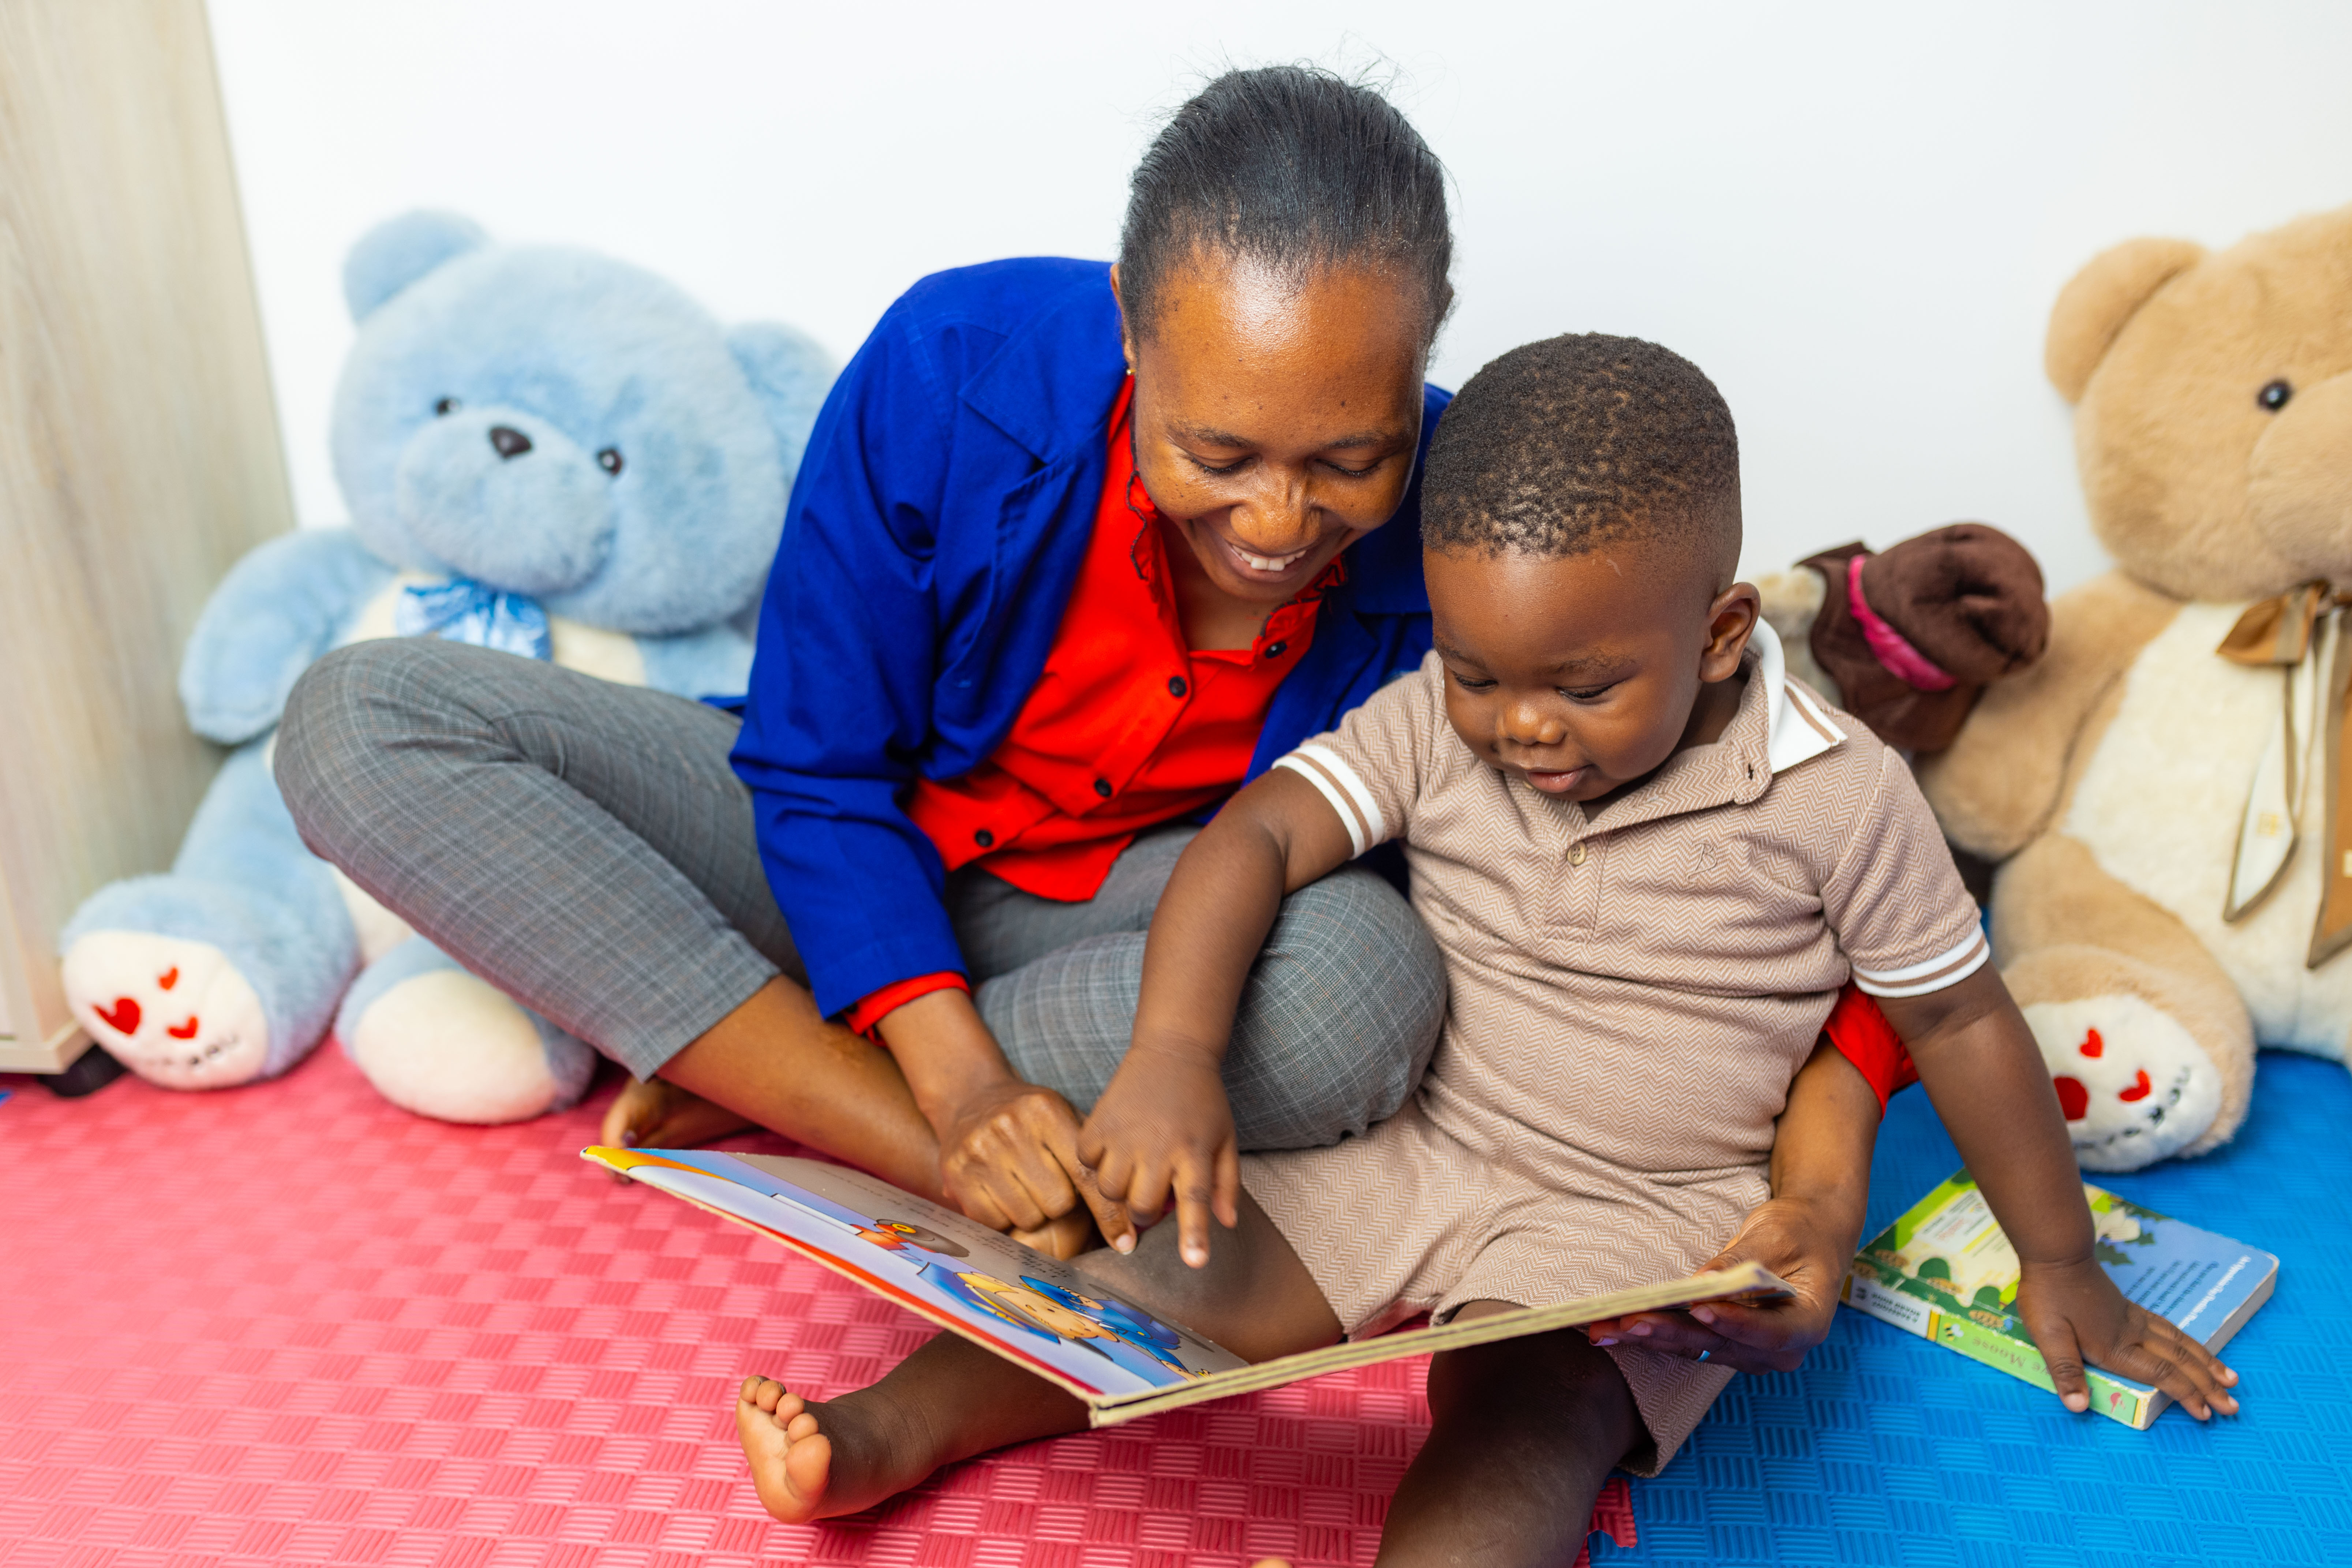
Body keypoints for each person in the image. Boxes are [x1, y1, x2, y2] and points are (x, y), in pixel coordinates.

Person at [729, 334, 2240, 1560]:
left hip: (1634, 1216)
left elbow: (1963, 1022)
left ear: (1720, 633)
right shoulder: (1435, 720)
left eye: (1580, 687)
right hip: (1413, 1141)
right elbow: (1254, 837)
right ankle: (883, 1435)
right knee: (1143, 1281)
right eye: (1476, 674)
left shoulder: (1838, 793)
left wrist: (2059, 1258)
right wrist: (1176, 1057)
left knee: (1528, 1421)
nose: (1521, 729)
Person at [275, 66, 1454, 1259]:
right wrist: (958, 1103)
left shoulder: (1474, 514)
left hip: (1122, 928)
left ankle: (761, 1067)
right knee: (359, 717)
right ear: (1131, 328)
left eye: (1353, 462)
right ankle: (897, 1135)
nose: (1274, 523)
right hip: (817, 856)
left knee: (1365, 989)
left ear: (1421, 367)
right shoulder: (950, 367)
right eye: (1217, 452)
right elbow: (817, 771)